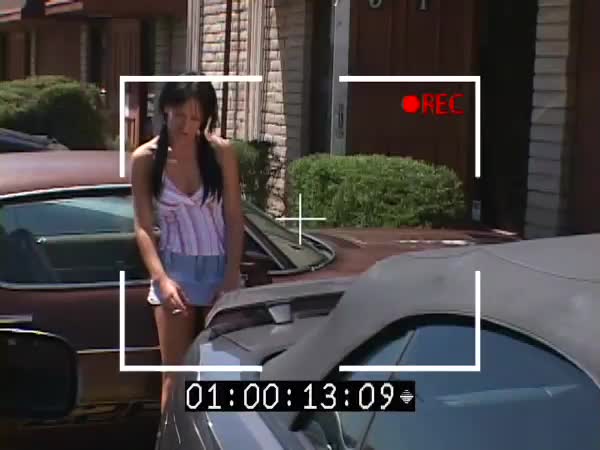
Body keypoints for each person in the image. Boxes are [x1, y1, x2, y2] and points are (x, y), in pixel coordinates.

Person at [130, 75, 244, 413]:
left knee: (221, 377)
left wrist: (231, 275)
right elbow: (142, 227)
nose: (187, 125)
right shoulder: (146, 159)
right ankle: (169, 438)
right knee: (175, 378)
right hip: (175, 271)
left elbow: (234, 217)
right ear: (166, 108)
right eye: (180, 115)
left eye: (196, 117)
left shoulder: (220, 153)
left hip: (219, 269)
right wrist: (161, 280)